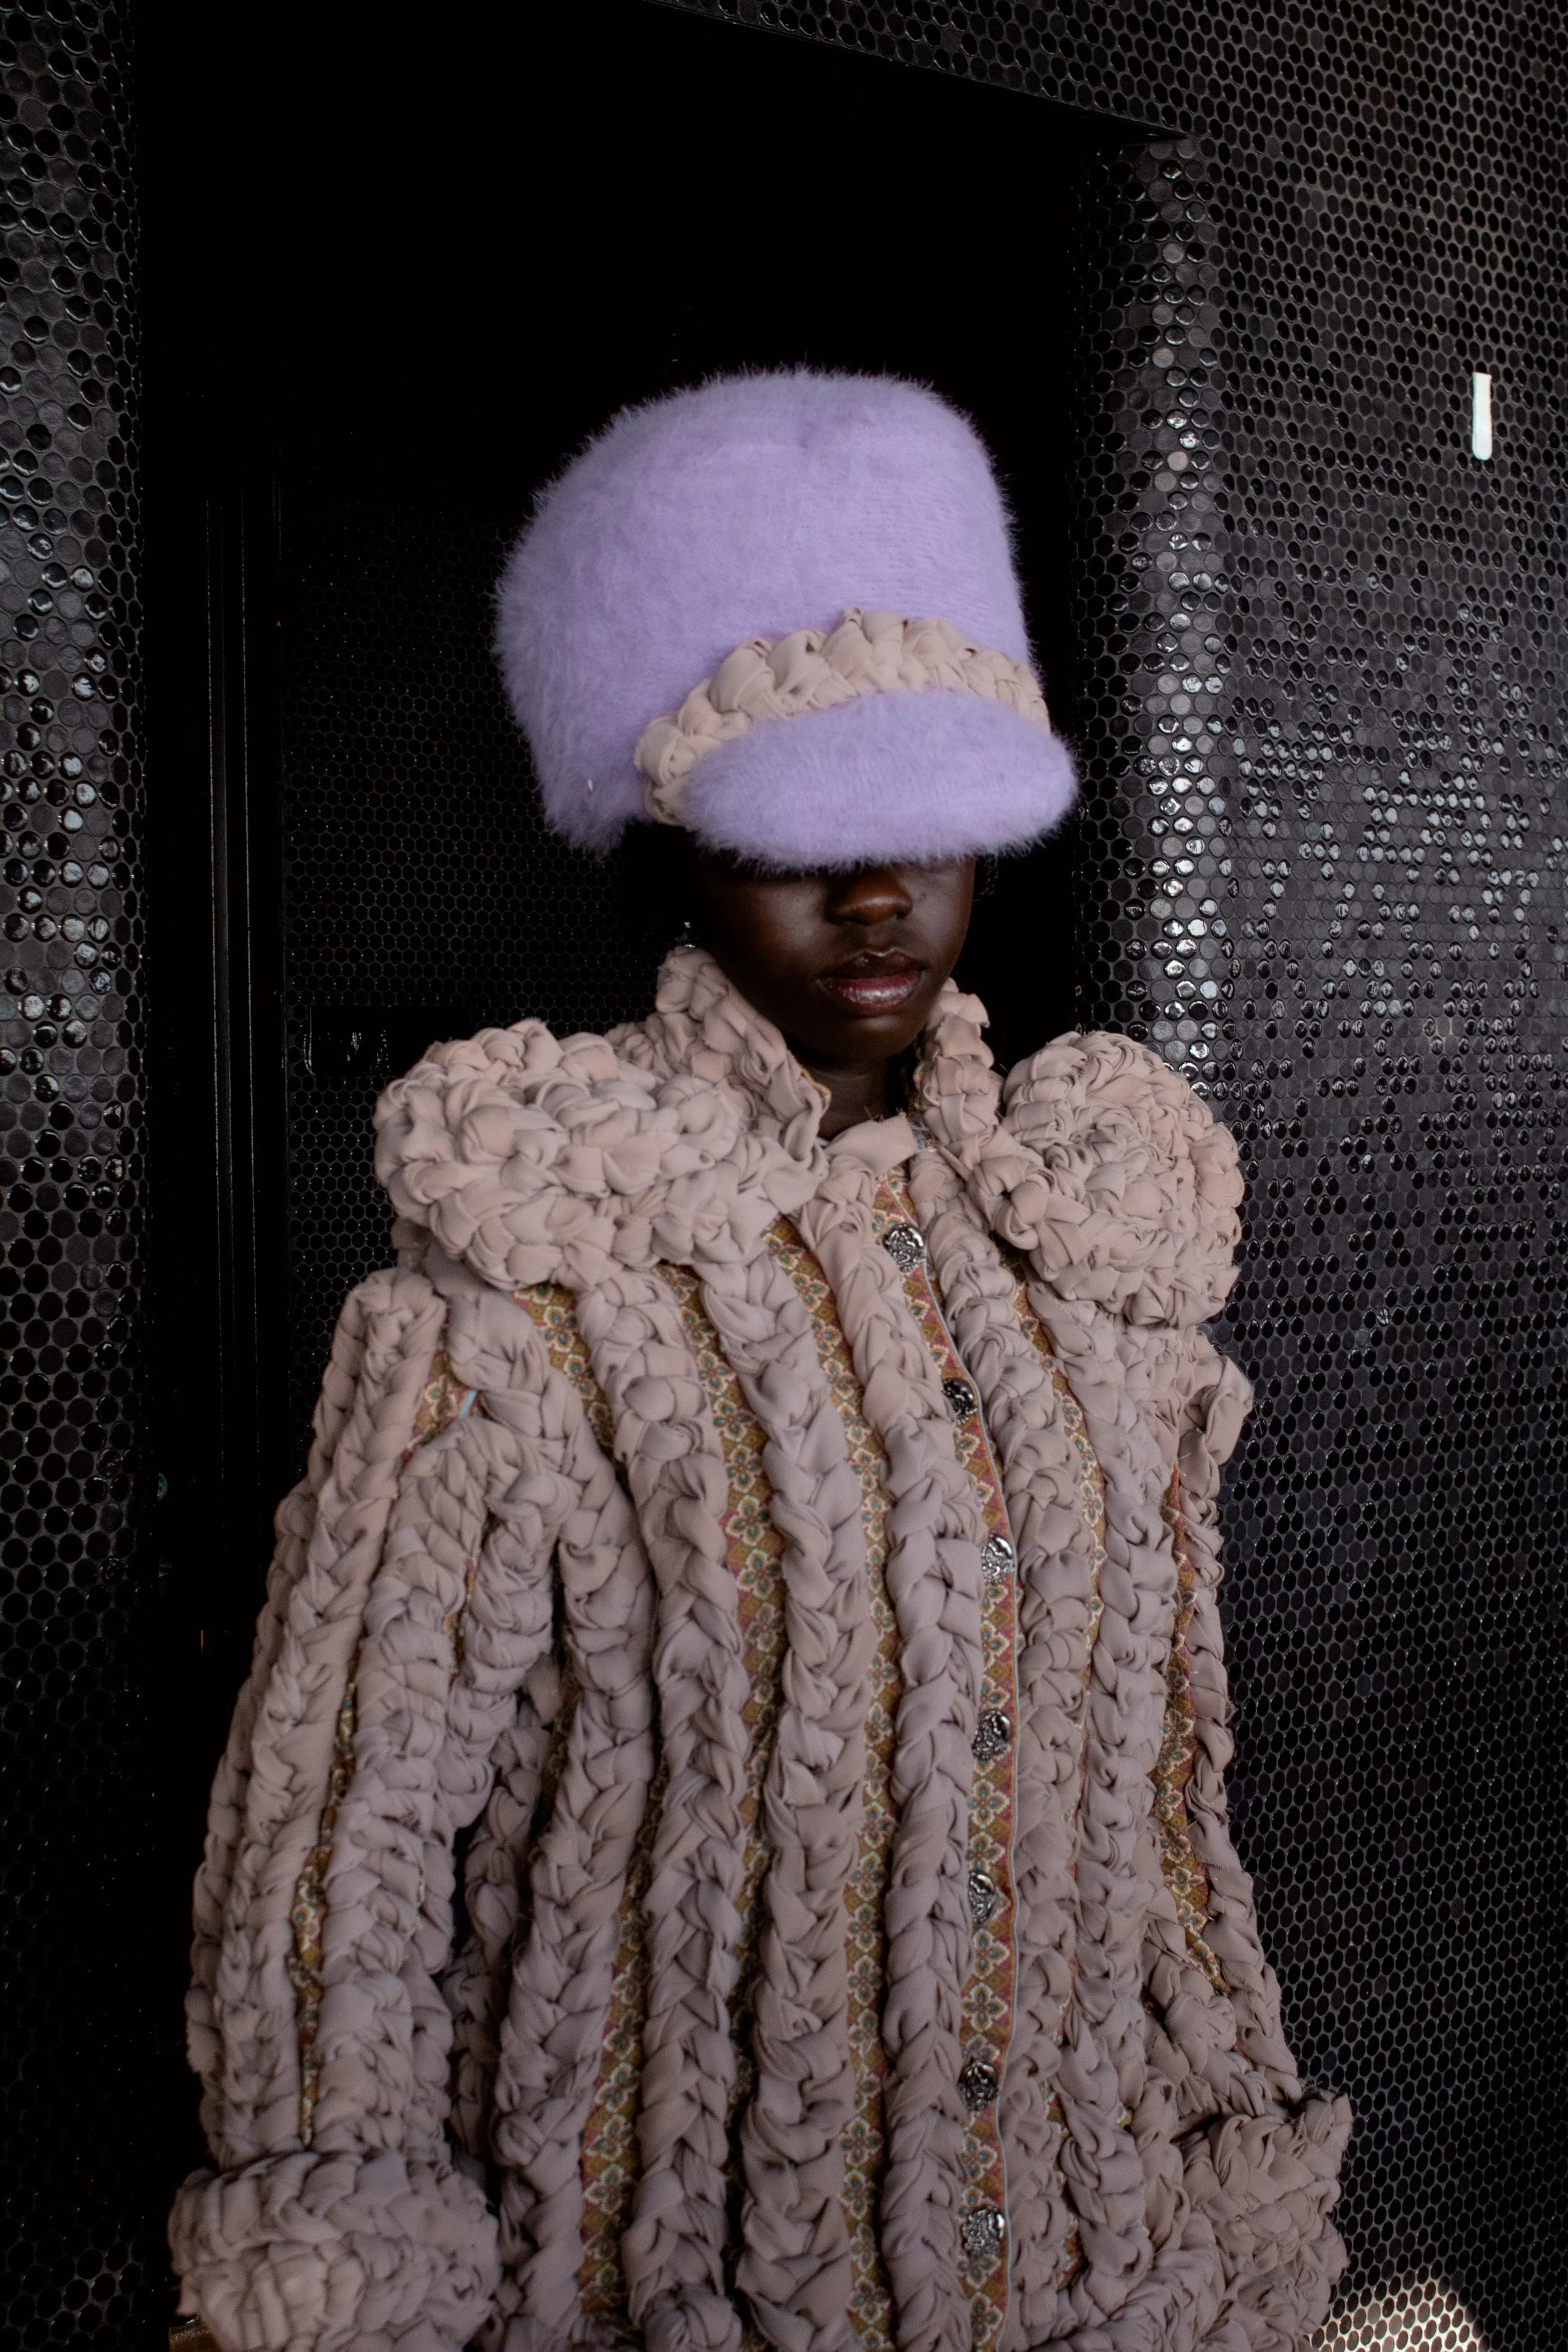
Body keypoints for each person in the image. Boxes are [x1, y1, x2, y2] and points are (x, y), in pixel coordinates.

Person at [170, 373, 1348, 2352]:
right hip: (646, 2292)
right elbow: (341, 1841)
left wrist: (1235, 2177)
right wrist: (338, 2270)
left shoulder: (1092, 1248)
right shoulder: (530, 1273)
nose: (877, 891)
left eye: (923, 819)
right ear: (683, 846)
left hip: (1096, 2278)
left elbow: (1152, 1808)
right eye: (801, 829)